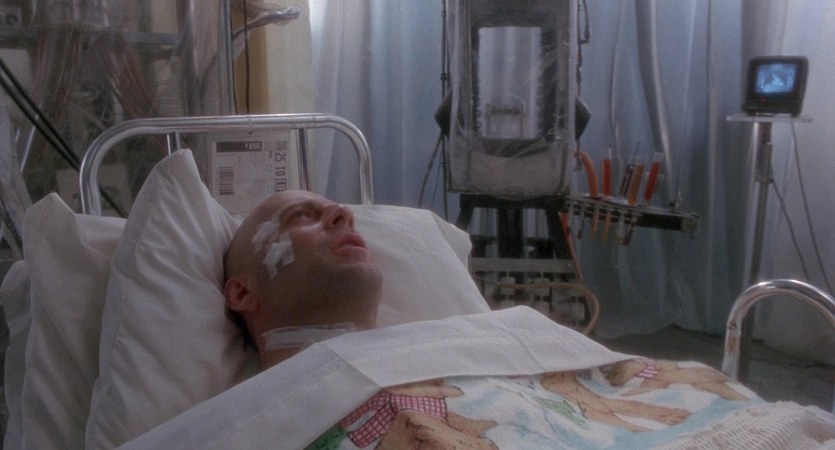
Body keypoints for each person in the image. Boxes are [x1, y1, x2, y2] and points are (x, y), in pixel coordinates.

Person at [223, 190, 383, 368]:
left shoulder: (410, 347)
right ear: (242, 293)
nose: (345, 213)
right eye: (301, 215)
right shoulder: (264, 391)